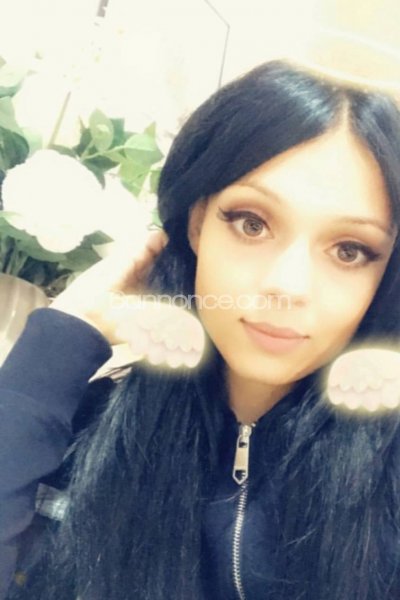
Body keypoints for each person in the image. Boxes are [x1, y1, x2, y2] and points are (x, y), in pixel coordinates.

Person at [1, 58, 400, 600]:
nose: (288, 285)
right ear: (196, 223)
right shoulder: (84, 437)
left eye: (350, 250)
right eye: (252, 223)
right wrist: (59, 345)